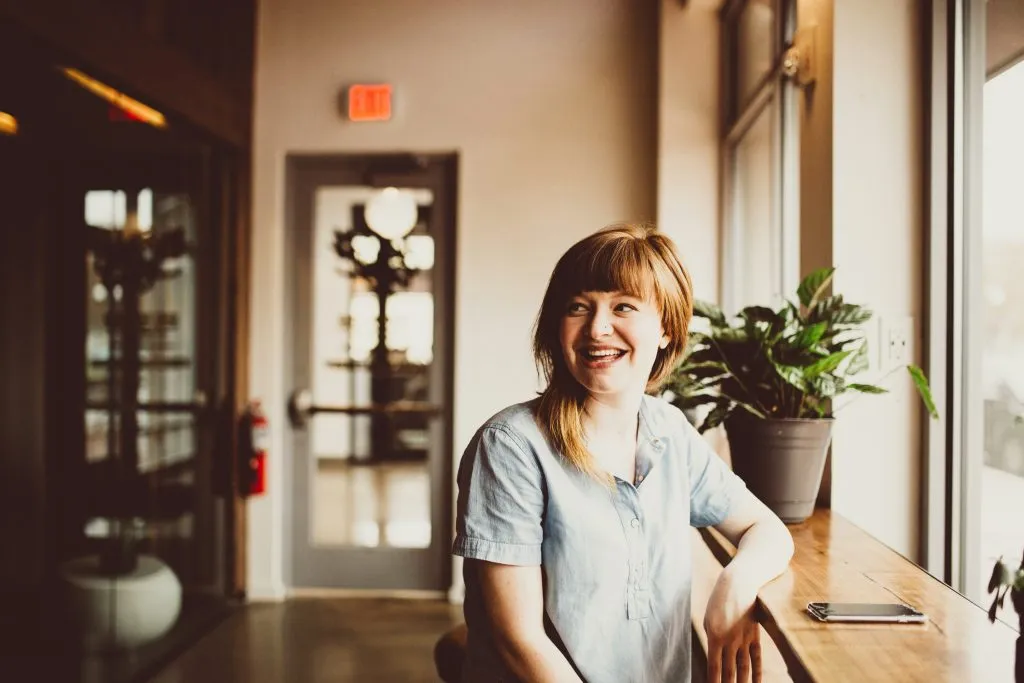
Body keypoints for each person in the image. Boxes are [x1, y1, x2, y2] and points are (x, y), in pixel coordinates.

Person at [452, 223, 794, 683]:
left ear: (667, 330)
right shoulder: (510, 445)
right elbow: (519, 642)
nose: (597, 328)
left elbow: (766, 529)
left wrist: (736, 583)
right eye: (578, 307)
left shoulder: (668, 430)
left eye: (623, 307)